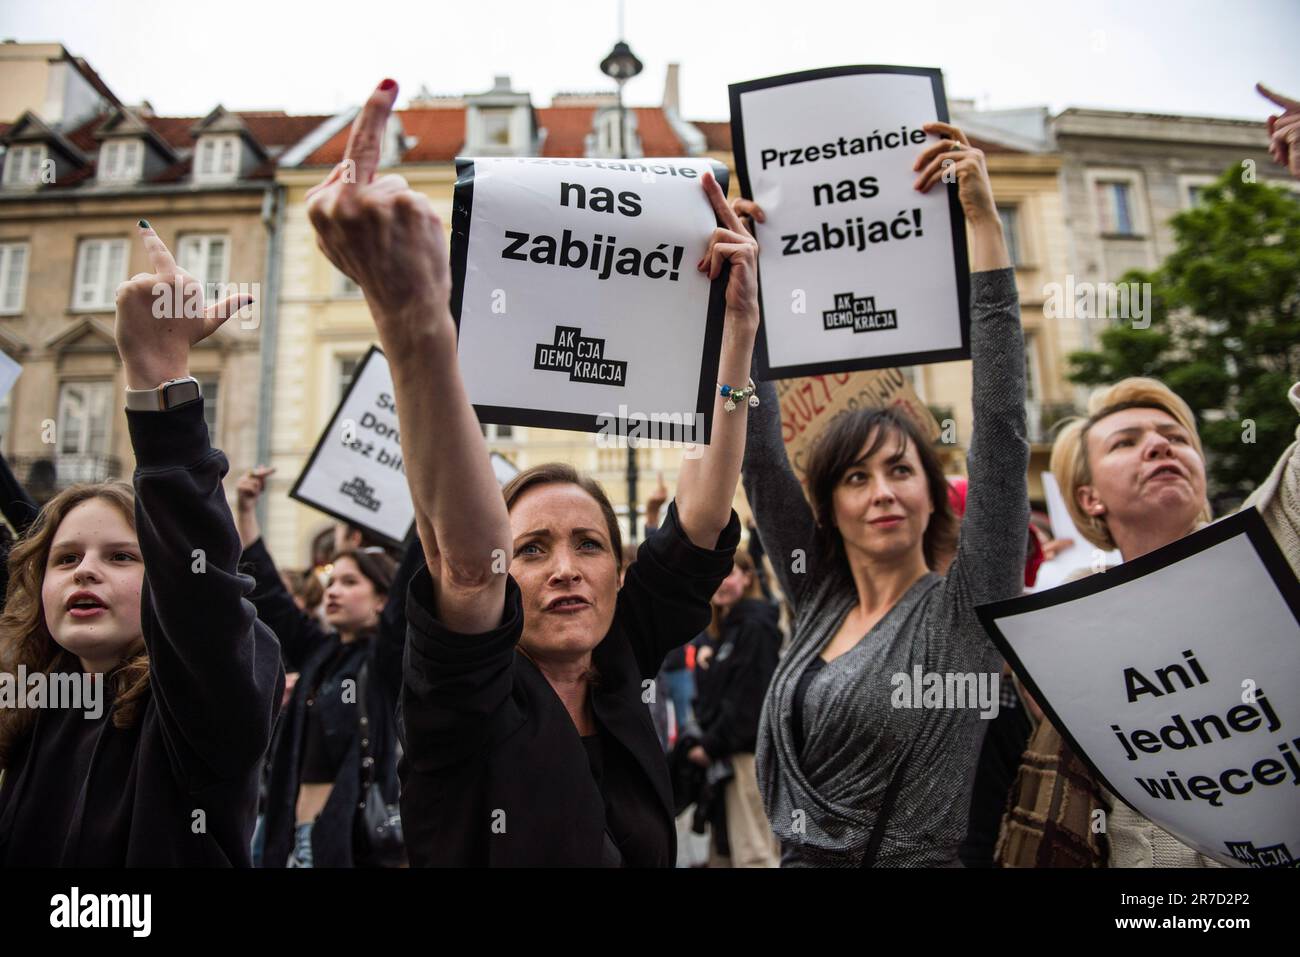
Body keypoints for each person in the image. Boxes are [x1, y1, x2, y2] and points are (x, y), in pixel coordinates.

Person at [306, 79, 756, 866]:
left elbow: (700, 522)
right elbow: (465, 563)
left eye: (588, 544)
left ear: (620, 571)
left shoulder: (617, 658)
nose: (566, 569)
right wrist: (413, 320)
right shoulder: (465, 696)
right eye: (533, 547)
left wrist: (736, 332)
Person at [738, 122, 1030, 867]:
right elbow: (762, 459)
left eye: (901, 470)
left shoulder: (964, 610)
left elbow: (998, 428)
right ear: (830, 504)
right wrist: (749, 303)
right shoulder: (818, 598)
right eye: (856, 477)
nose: (881, 493)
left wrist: (984, 227)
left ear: (934, 495)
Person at [0, 222, 282, 865]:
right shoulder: (36, 710)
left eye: (122, 556)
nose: (84, 573)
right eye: (65, 559)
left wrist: (160, 383)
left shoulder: (202, 707)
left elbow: (201, 599)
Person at [233, 466, 416, 868]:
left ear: (384, 599)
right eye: (332, 581)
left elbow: (410, 578)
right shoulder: (321, 653)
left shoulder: (387, 659)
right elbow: (271, 595)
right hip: (288, 839)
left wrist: (426, 491)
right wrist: (246, 510)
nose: (332, 590)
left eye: (350, 583)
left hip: (346, 842)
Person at [689, 549, 782, 867]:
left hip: (745, 756)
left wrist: (710, 744)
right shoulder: (723, 631)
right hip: (727, 758)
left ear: (747, 577)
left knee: (753, 851)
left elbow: (750, 702)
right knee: (726, 852)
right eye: (714, 575)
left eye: (728, 573)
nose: (721, 583)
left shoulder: (755, 626)